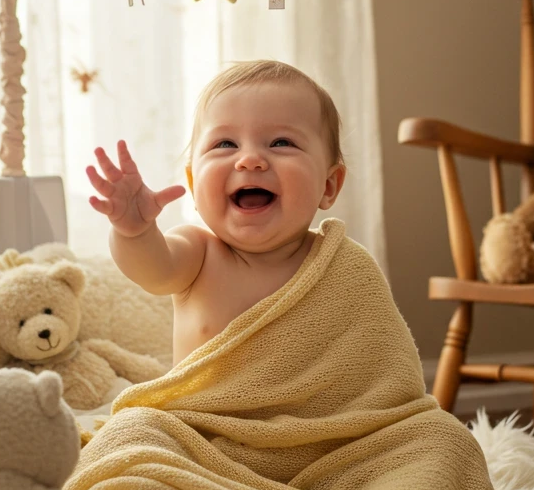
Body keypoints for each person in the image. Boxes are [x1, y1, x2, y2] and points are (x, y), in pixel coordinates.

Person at [86, 59, 347, 366]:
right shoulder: (198, 253)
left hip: (310, 413)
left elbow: (370, 358)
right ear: (194, 184)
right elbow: (153, 271)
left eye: (281, 142)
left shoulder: (337, 265)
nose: (250, 160)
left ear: (328, 186)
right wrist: (135, 232)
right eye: (225, 143)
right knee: (142, 418)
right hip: (202, 412)